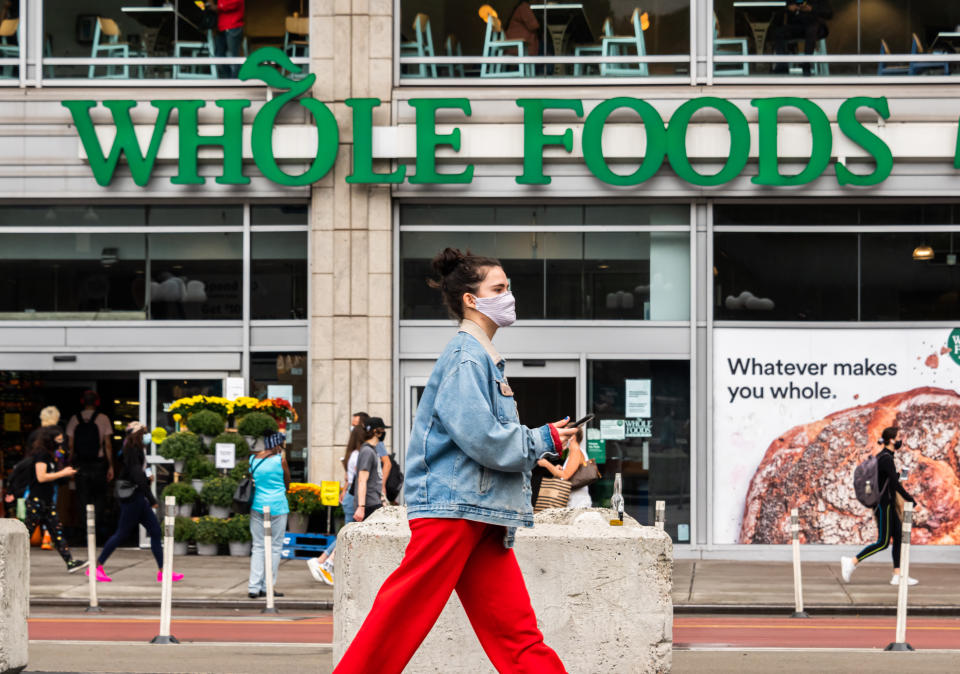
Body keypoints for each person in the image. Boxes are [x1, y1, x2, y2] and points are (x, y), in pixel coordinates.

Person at [334, 248, 576, 673]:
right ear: (471, 299)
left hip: (478, 512)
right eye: (498, 289)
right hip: (455, 510)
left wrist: (543, 437)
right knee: (400, 615)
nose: (508, 296)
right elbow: (484, 439)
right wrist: (545, 437)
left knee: (516, 633)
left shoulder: (481, 357)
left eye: (508, 288)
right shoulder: (467, 357)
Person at [93, 423, 183, 584]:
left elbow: (143, 470)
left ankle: (163, 571)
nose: (147, 435)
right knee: (121, 533)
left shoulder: (139, 449)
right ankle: (97, 567)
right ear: (138, 434)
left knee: (155, 531)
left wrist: (148, 477)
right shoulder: (132, 450)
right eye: (145, 432)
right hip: (133, 497)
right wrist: (152, 498)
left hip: (138, 497)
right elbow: (136, 475)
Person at [841, 426, 919, 586]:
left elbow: (889, 480)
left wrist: (900, 475)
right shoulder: (886, 458)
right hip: (885, 505)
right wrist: (910, 499)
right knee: (883, 542)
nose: (900, 440)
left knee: (898, 537)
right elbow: (895, 485)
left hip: (888, 503)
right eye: (898, 437)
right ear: (891, 440)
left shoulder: (886, 457)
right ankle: (852, 562)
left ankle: (898, 575)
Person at [308, 424, 367, 585]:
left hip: (349, 496)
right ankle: (324, 561)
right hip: (353, 497)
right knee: (346, 533)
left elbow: (349, 478)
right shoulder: (359, 454)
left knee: (346, 532)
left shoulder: (351, 454)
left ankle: (324, 561)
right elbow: (358, 478)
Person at [24, 426, 87, 573]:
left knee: (57, 532)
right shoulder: (41, 455)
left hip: (47, 501)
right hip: (36, 501)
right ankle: (5, 559)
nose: (61, 443)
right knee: (26, 534)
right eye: (58, 440)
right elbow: (41, 476)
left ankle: (70, 561)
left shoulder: (50, 455)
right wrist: (62, 473)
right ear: (49, 440)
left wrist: (63, 473)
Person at [66, 390, 113, 541]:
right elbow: (108, 445)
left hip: (80, 464)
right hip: (98, 465)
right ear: (97, 402)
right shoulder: (103, 418)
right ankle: (96, 529)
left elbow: (71, 445)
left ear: (82, 401)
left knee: (82, 498)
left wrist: (69, 465)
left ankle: (85, 530)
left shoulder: (74, 419)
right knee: (99, 497)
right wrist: (111, 466)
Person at [248, 439, 290, 599]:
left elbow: (254, 480)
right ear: (277, 445)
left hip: (257, 504)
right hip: (278, 505)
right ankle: (267, 587)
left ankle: (253, 587)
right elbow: (287, 483)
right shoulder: (280, 460)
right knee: (275, 547)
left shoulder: (253, 460)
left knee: (258, 546)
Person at [27, 406, 63, 550]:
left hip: (33, 477)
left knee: (34, 510)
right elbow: (61, 453)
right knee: (49, 506)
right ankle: (47, 538)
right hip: (48, 475)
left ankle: (32, 537)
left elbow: (28, 455)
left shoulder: (34, 434)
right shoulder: (56, 434)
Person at [772, 0, 833, 76]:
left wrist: (811, 9)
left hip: (815, 25)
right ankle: (782, 65)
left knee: (811, 29)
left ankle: (806, 63)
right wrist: (788, 9)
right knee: (779, 32)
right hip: (798, 26)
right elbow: (779, 11)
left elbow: (829, 13)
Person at [536, 427, 592, 508]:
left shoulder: (576, 451)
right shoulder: (575, 451)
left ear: (572, 437)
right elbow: (567, 474)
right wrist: (556, 470)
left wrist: (546, 464)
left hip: (577, 503)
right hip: (575, 502)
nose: (561, 437)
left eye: (565, 434)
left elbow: (565, 476)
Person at [352, 422, 384, 524]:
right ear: (376, 432)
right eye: (382, 430)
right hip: (368, 505)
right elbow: (362, 480)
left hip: (373, 502)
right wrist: (361, 507)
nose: (384, 433)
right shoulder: (367, 451)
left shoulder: (373, 450)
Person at [207, 0, 245, 78]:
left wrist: (218, 6)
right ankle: (228, 80)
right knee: (218, 56)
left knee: (235, 56)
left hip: (234, 26)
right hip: (221, 28)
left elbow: (234, 4)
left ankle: (235, 82)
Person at [368, 417, 392, 503]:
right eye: (382, 429)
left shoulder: (378, 443)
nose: (383, 433)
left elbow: (387, 463)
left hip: (372, 489)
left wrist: (382, 485)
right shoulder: (371, 444)